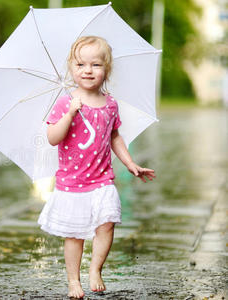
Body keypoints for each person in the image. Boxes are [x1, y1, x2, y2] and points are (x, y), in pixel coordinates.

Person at [37, 36, 155, 298]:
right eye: (80, 64)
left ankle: (95, 269)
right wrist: (69, 114)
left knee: (107, 223)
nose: (88, 70)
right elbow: (53, 137)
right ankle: (73, 281)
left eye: (96, 65)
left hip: (102, 180)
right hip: (72, 183)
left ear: (106, 70)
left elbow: (114, 136)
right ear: (71, 68)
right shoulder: (65, 103)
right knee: (75, 235)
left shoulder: (110, 104)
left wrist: (130, 162)